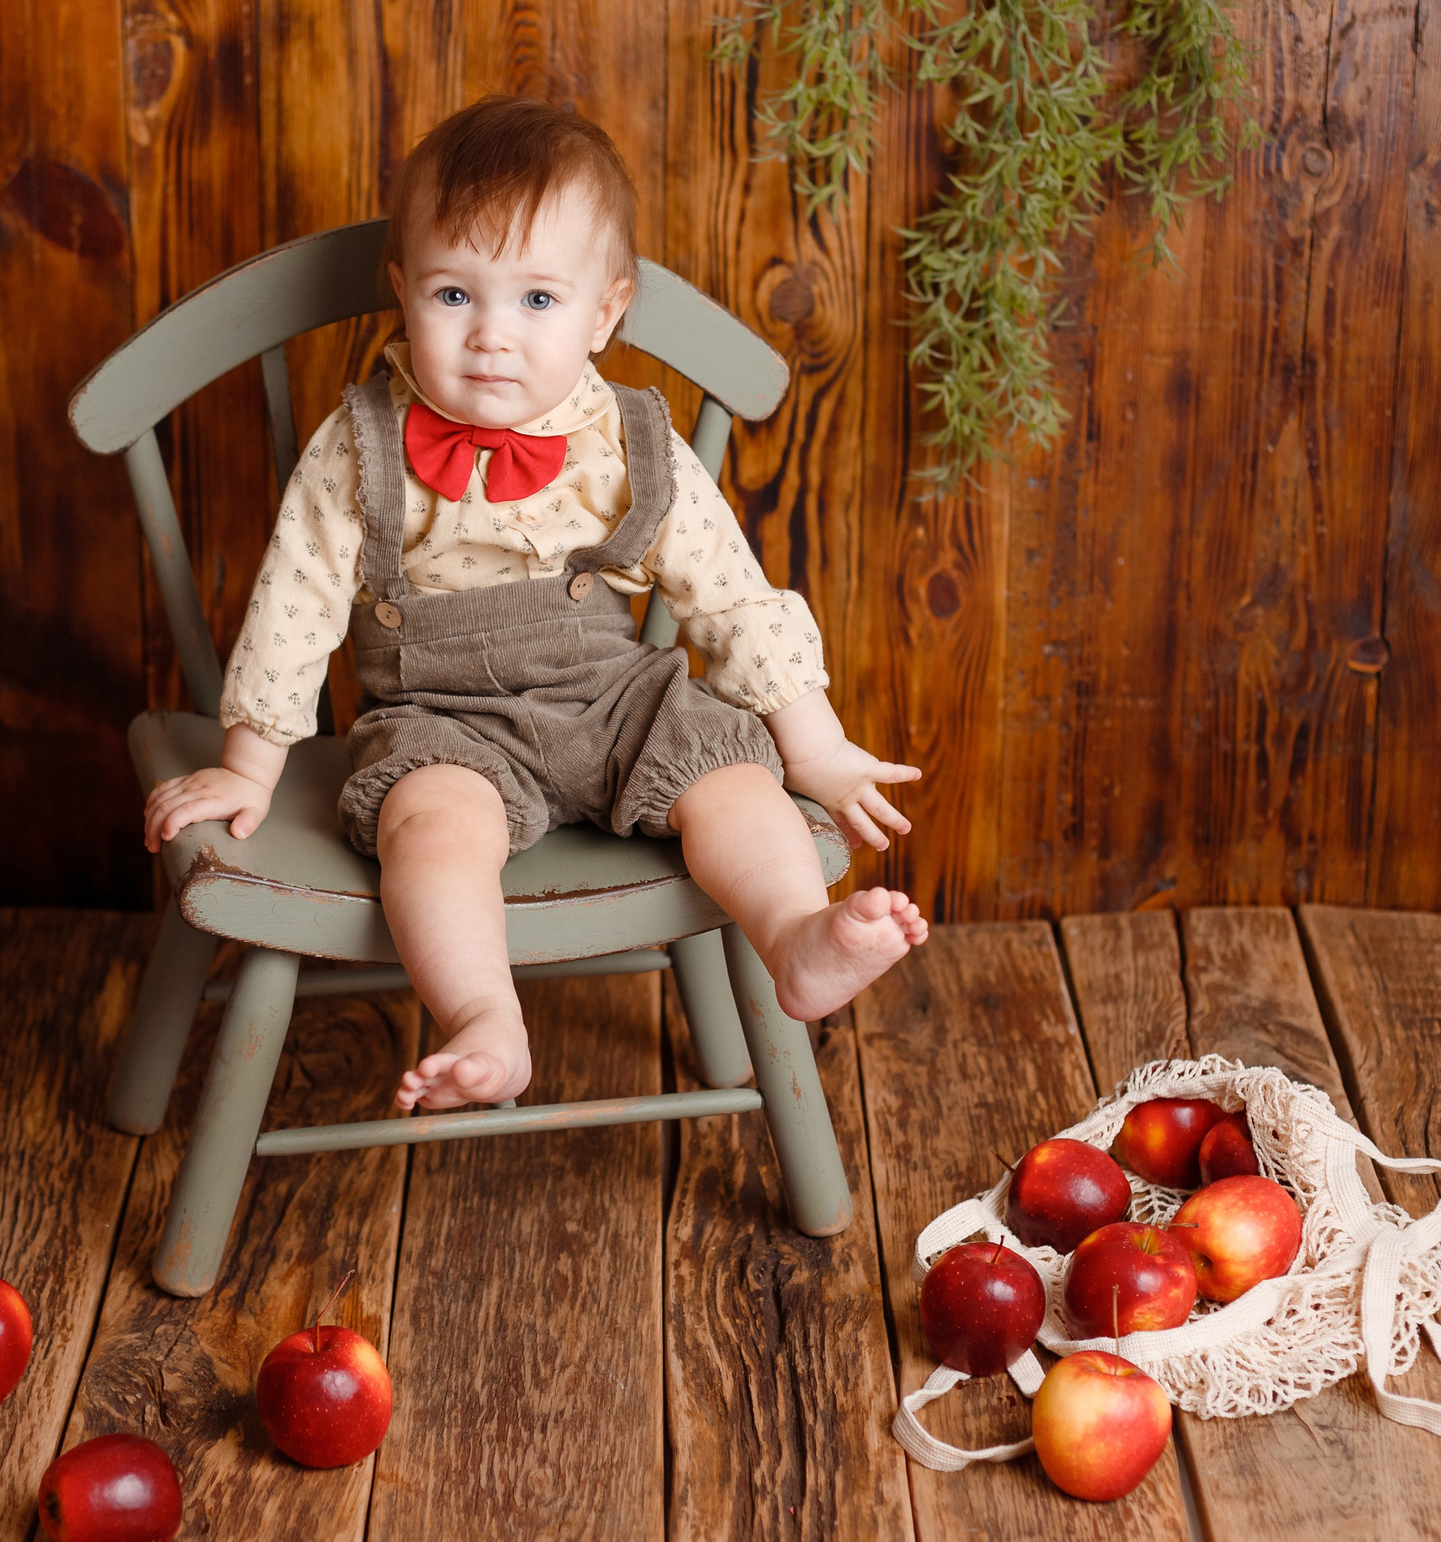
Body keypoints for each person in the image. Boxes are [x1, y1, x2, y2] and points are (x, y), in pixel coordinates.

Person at [143, 96, 925, 1111]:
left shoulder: (629, 443)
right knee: (429, 831)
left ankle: (793, 934)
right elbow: (295, 600)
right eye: (454, 295)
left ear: (606, 310)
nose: (491, 340)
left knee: (735, 783)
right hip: (440, 717)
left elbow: (729, 595)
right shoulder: (362, 444)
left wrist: (812, 746)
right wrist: (249, 764)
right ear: (402, 293)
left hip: (616, 696)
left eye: (538, 302)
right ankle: (482, 1014)